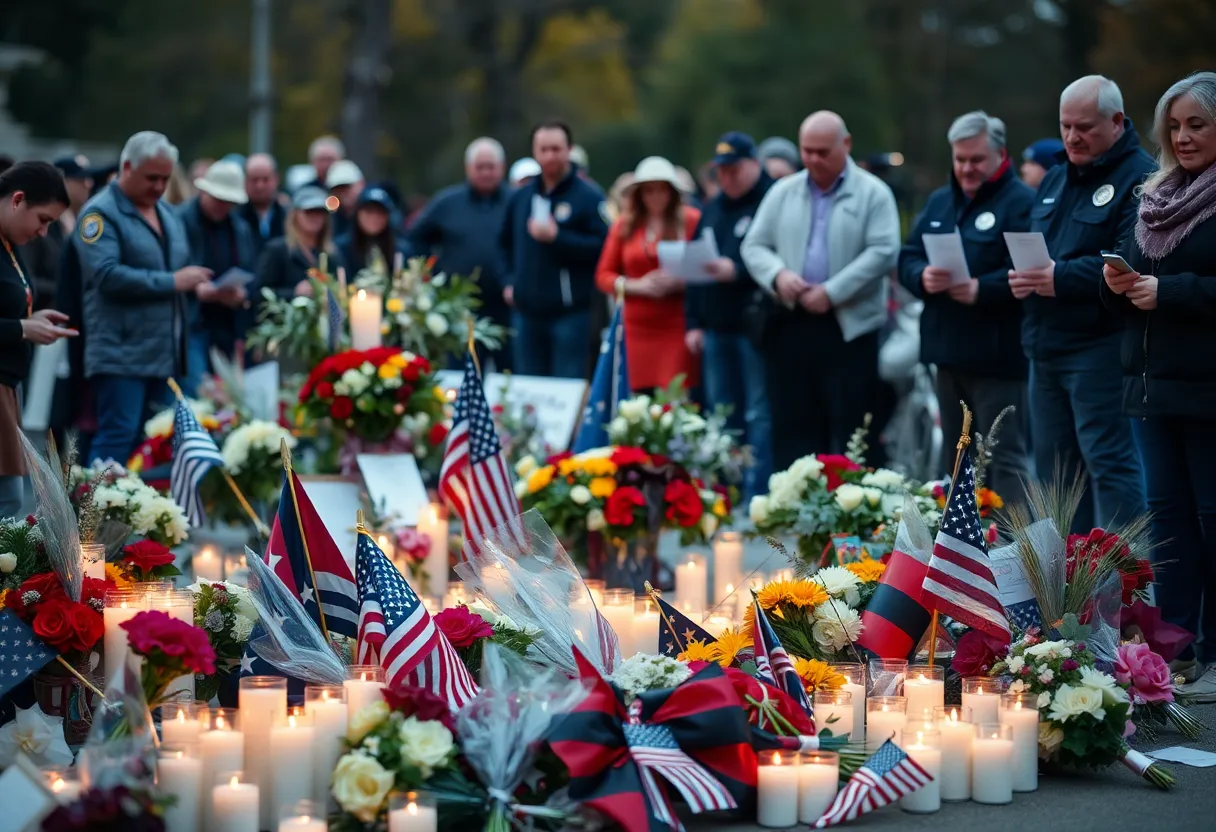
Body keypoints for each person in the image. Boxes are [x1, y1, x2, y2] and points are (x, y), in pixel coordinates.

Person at [1101, 72, 1216, 695]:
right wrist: (1116, 286)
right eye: (1175, 125)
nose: (1183, 136)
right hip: (1149, 388)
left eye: (1197, 123)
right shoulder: (1157, 195)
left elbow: (1181, 289)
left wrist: (1167, 293)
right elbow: (1132, 275)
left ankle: (1215, 651)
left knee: (1213, 518)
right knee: (1168, 521)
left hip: (1206, 389)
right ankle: (1177, 647)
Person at [1015, 75, 1154, 531]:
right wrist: (1023, 277)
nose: (1072, 137)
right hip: (1044, 344)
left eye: (1085, 127)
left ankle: (1123, 584)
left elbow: (1129, 260)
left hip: (1100, 346)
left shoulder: (1140, 177)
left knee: (1108, 462)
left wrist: (1059, 278)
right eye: (1065, 126)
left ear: (1116, 122)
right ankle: (1060, 585)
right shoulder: (1056, 175)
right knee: (1053, 475)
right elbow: (1044, 247)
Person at [742, 112, 900, 469]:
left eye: (822, 151)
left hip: (850, 328)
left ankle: (853, 512)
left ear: (846, 144)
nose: (812, 159)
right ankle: (795, 514)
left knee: (852, 429)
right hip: (790, 321)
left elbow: (884, 250)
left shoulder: (873, 193)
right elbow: (754, 246)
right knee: (792, 425)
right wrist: (779, 275)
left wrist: (832, 291)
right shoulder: (783, 191)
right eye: (806, 150)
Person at [897, 111, 1034, 499]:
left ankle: (1014, 552)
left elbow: (1029, 273)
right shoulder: (941, 202)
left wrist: (981, 290)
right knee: (956, 459)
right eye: (960, 160)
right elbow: (906, 256)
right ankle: (957, 555)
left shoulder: (1021, 203)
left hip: (998, 356)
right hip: (947, 351)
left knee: (1002, 458)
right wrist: (922, 276)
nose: (967, 169)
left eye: (976, 160)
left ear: (1000, 155)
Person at [75, 131, 211, 465]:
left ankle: (144, 517)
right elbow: (105, 275)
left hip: (166, 353)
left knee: (154, 446)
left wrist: (198, 284)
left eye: (165, 178)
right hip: (121, 354)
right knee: (117, 439)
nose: (159, 186)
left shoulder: (167, 213)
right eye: (151, 177)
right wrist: (173, 281)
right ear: (126, 167)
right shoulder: (99, 213)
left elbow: (177, 268)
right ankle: (95, 516)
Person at [684, 132, 775, 499]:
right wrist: (693, 322)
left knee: (757, 411)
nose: (728, 177)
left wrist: (736, 270)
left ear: (754, 164)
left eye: (735, 169)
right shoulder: (713, 207)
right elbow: (693, 268)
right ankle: (727, 489)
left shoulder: (769, 201)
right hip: (716, 326)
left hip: (754, 326)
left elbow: (774, 258)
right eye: (722, 171)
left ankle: (757, 490)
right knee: (722, 415)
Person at [498, 120, 609, 378]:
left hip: (569, 314)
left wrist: (558, 237)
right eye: (543, 149)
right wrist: (508, 281)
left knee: (566, 389)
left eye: (556, 149)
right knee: (530, 388)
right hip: (526, 313)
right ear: (534, 152)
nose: (550, 156)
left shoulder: (589, 197)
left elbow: (603, 247)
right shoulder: (520, 197)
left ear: (569, 150)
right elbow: (502, 243)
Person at [0, 162, 76, 517]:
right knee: (8, 503)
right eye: (43, 219)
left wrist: (31, 321)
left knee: (10, 502)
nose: (44, 232)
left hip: (7, 388)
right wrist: (21, 329)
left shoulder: (9, 243)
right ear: (17, 200)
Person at [595, 156, 702, 392]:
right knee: (638, 399)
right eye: (649, 191)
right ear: (639, 194)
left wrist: (679, 282)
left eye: (662, 190)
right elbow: (603, 276)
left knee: (674, 394)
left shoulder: (692, 220)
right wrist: (637, 285)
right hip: (636, 327)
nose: (656, 197)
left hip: (677, 322)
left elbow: (705, 267)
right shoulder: (624, 226)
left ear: (673, 193)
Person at [407, 137, 512, 370]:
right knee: (463, 373)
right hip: (460, 310)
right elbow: (415, 238)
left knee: (509, 372)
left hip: (506, 307)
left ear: (502, 168)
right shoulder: (447, 202)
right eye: (480, 167)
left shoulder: (516, 201)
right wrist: (428, 275)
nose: (485, 172)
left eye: (491, 166)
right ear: (468, 169)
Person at [177, 160, 256, 390]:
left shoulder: (239, 228)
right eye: (218, 199)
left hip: (227, 327)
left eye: (228, 202)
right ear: (204, 191)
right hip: (192, 325)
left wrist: (242, 295)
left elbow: (251, 272)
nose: (222, 206)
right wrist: (196, 288)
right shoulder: (180, 221)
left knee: (226, 398)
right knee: (198, 393)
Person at [19, 156, 92, 310]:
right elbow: (24, 279)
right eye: (80, 180)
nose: (88, 184)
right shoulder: (38, 223)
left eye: (89, 179)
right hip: (40, 316)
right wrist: (68, 290)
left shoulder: (82, 222)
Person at [256, 186, 343, 300]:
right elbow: (259, 293)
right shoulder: (278, 251)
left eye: (320, 212)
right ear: (295, 214)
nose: (315, 217)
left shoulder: (332, 254)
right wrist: (293, 293)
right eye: (309, 211)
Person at [335, 186, 407, 275]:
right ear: (357, 214)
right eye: (369, 211)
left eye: (379, 212)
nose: (374, 218)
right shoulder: (340, 250)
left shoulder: (401, 250)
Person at [241, 153, 286, 257]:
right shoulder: (234, 218)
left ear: (276, 179)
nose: (260, 186)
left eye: (265, 179)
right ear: (246, 181)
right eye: (254, 179)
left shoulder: (288, 217)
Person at [326, 160, 364, 239]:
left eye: (347, 187)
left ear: (361, 184)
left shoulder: (377, 211)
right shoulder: (330, 219)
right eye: (337, 189)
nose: (342, 193)